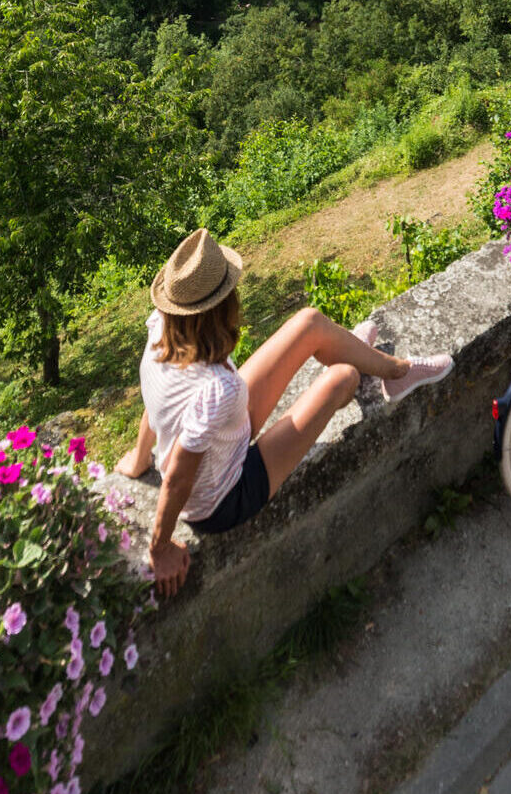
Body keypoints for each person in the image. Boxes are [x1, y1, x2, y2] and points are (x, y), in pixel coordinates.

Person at [115, 228, 452, 597]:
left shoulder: (160, 331)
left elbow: (155, 404)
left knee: (309, 322)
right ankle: (365, 362)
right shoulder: (217, 387)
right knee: (343, 377)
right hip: (225, 496)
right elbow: (178, 474)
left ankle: (394, 370)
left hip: (224, 435)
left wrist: (140, 457)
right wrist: (159, 546)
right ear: (224, 304)